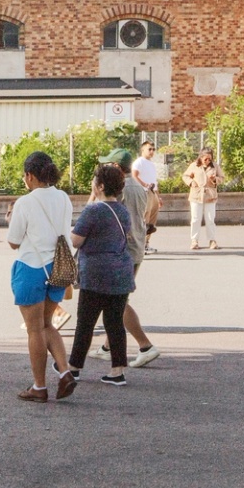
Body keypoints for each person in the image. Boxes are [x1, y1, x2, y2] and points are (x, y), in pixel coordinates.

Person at [56, 164, 138, 394]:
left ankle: (74, 367)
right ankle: (117, 371)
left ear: (100, 186)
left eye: (94, 181)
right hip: (121, 272)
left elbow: (75, 240)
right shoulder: (122, 210)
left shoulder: (93, 210)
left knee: (86, 323)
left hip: (96, 273)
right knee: (114, 324)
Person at [6, 151, 74, 401]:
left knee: (34, 330)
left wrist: (10, 219)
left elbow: (14, 242)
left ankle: (39, 386)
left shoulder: (25, 202)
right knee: (48, 324)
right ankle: (65, 371)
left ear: (30, 175)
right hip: (58, 267)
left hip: (31, 268)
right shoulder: (64, 197)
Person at [101, 150, 160, 367]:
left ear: (116, 166)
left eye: (108, 165)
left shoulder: (120, 189)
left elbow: (110, 216)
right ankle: (106, 347)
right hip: (136, 245)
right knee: (118, 298)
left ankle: (145, 346)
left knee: (117, 302)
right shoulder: (138, 186)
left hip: (122, 249)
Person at [182, 148, 223, 251]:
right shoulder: (194, 166)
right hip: (196, 195)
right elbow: (185, 176)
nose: (208, 161)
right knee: (195, 219)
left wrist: (215, 179)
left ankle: (212, 240)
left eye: (210, 159)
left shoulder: (215, 166)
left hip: (210, 196)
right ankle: (194, 240)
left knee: (210, 219)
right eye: (206, 159)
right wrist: (191, 182)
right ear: (201, 157)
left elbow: (222, 177)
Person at [132, 142, 161, 248]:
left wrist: (158, 196)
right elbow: (134, 175)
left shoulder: (152, 164)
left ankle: (146, 242)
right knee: (145, 217)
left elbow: (154, 181)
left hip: (153, 192)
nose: (152, 151)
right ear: (142, 150)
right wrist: (144, 184)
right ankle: (140, 243)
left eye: (153, 149)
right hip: (144, 192)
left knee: (152, 219)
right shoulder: (139, 162)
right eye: (149, 149)